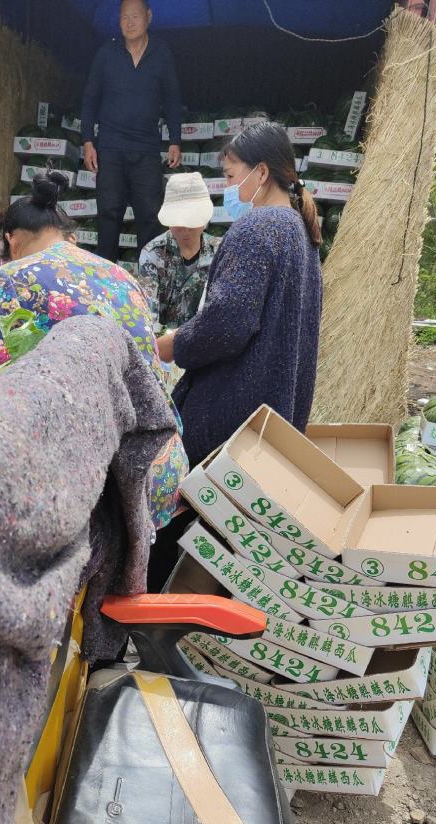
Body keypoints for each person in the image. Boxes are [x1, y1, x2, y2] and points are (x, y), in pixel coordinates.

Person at [149, 121, 323, 590]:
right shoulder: (301, 233)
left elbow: (227, 323)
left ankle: (157, 625)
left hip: (230, 411)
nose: (228, 188)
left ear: (260, 172)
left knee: (180, 526)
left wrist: (171, 345)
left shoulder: (260, 228)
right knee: (226, 540)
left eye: (230, 176)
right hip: (270, 412)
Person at [0, 172, 188, 531]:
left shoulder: (11, 278)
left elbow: (2, 390)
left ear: (11, 241)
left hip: (95, 489)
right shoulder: (121, 276)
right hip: (161, 469)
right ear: (66, 235)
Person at [81, 0, 182, 264]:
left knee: (149, 215)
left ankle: (148, 283)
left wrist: (175, 139)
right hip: (110, 147)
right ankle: (106, 282)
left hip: (147, 148)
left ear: (148, 16)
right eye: (124, 17)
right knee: (108, 213)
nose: (129, 22)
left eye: (135, 16)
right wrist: (88, 141)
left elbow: (172, 98)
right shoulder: (106, 52)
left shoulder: (162, 52)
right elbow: (90, 98)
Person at [138, 172, 220, 330]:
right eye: (179, 221)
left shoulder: (220, 251)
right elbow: (148, 313)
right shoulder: (152, 253)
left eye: (192, 221)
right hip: (164, 345)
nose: (186, 229)